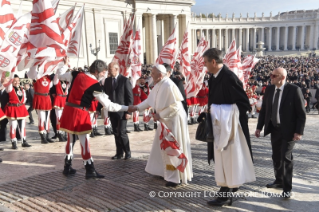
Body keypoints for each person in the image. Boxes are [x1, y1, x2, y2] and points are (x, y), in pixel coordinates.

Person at [57, 59, 130, 179]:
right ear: (96, 71)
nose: (104, 75)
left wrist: (64, 65)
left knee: (70, 139)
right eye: (102, 73)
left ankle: (67, 166)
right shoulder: (95, 85)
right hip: (80, 113)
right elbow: (110, 106)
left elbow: (60, 75)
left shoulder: (75, 74)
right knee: (84, 141)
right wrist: (127, 107)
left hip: (69, 110)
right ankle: (89, 169)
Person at [204, 48, 255, 207]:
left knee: (230, 161)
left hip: (232, 129)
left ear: (213, 62)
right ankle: (227, 191)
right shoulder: (213, 77)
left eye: (205, 62)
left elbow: (244, 104)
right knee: (223, 161)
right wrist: (211, 110)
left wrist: (218, 111)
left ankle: (226, 194)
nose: (204, 65)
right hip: (220, 126)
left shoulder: (229, 77)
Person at [130, 64, 193, 187]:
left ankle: (174, 177)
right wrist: (136, 107)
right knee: (161, 146)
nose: (150, 75)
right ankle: (161, 171)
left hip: (173, 120)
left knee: (172, 147)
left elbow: (175, 106)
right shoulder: (158, 84)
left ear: (160, 74)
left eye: (153, 73)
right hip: (165, 120)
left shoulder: (168, 85)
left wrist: (161, 115)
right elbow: (149, 101)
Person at [255, 67, 306, 198]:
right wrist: (259, 127)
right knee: (276, 156)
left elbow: (301, 114)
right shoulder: (270, 89)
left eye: (274, 76)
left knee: (286, 158)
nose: (270, 77)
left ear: (282, 78)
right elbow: (265, 110)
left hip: (289, 131)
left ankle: (287, 188)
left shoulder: (294, 90)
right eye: (271, 75)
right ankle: (279, 180)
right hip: (274, 129)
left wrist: (299, 132)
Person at [102, 62, 133, 160]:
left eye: (110, 69)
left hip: (122, 111)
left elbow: (130, 98)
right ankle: (119, 153)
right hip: (112, 111)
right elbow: (104, 95)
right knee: (115, 132)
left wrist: (129, 112)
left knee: (122, 132)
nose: (109, 71)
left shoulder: (124, 80)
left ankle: (127, 152)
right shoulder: (107, 81)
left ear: (116, 69)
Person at [27, 66, 55, 144]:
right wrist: (35, 63)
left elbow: (52, 83)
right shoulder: (36, 76)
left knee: (47, 118)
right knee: (41, 118)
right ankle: (42, 135)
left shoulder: (49, 77)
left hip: (47, 98)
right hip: (40, 98)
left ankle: (47, 134)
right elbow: (32, 71)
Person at [4, 75, 31, 149]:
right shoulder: (9, 88)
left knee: (23, 127)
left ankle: (24, 141)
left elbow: (24, 98)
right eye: (15, 81)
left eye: (18, 81)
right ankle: (14, 142)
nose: (17, 82)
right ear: (12, 81)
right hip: (12, 108)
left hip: (21, 108)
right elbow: (8, 84)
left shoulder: (22, 88)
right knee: (13, 126)